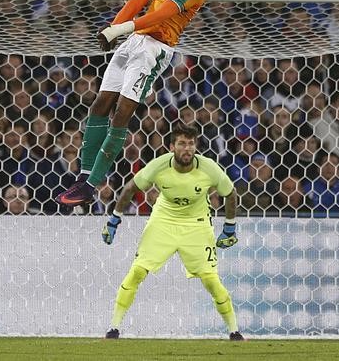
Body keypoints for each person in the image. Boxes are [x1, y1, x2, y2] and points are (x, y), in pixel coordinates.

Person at [56, 0, 208, 207]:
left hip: (156, 49)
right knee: (101, 103)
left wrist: (122, 28)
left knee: (123, 111)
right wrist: (113, 27)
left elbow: (163, 14)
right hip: (135, 40)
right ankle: (84, 176)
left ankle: (93, 184)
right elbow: (138, 1)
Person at [100, 124, 244, 341]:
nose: (187, 149)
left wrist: (229, 228)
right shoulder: (159, 166)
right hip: (163, 221)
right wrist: (114, 220)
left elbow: (230, 193)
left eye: (191, 144)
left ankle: (235, 331)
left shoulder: (209, 167)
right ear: (172, 147)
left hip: (197, 224)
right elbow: (130, 188)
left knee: (211, 280)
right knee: (138, 271)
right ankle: (114, 328)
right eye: (182, 144)